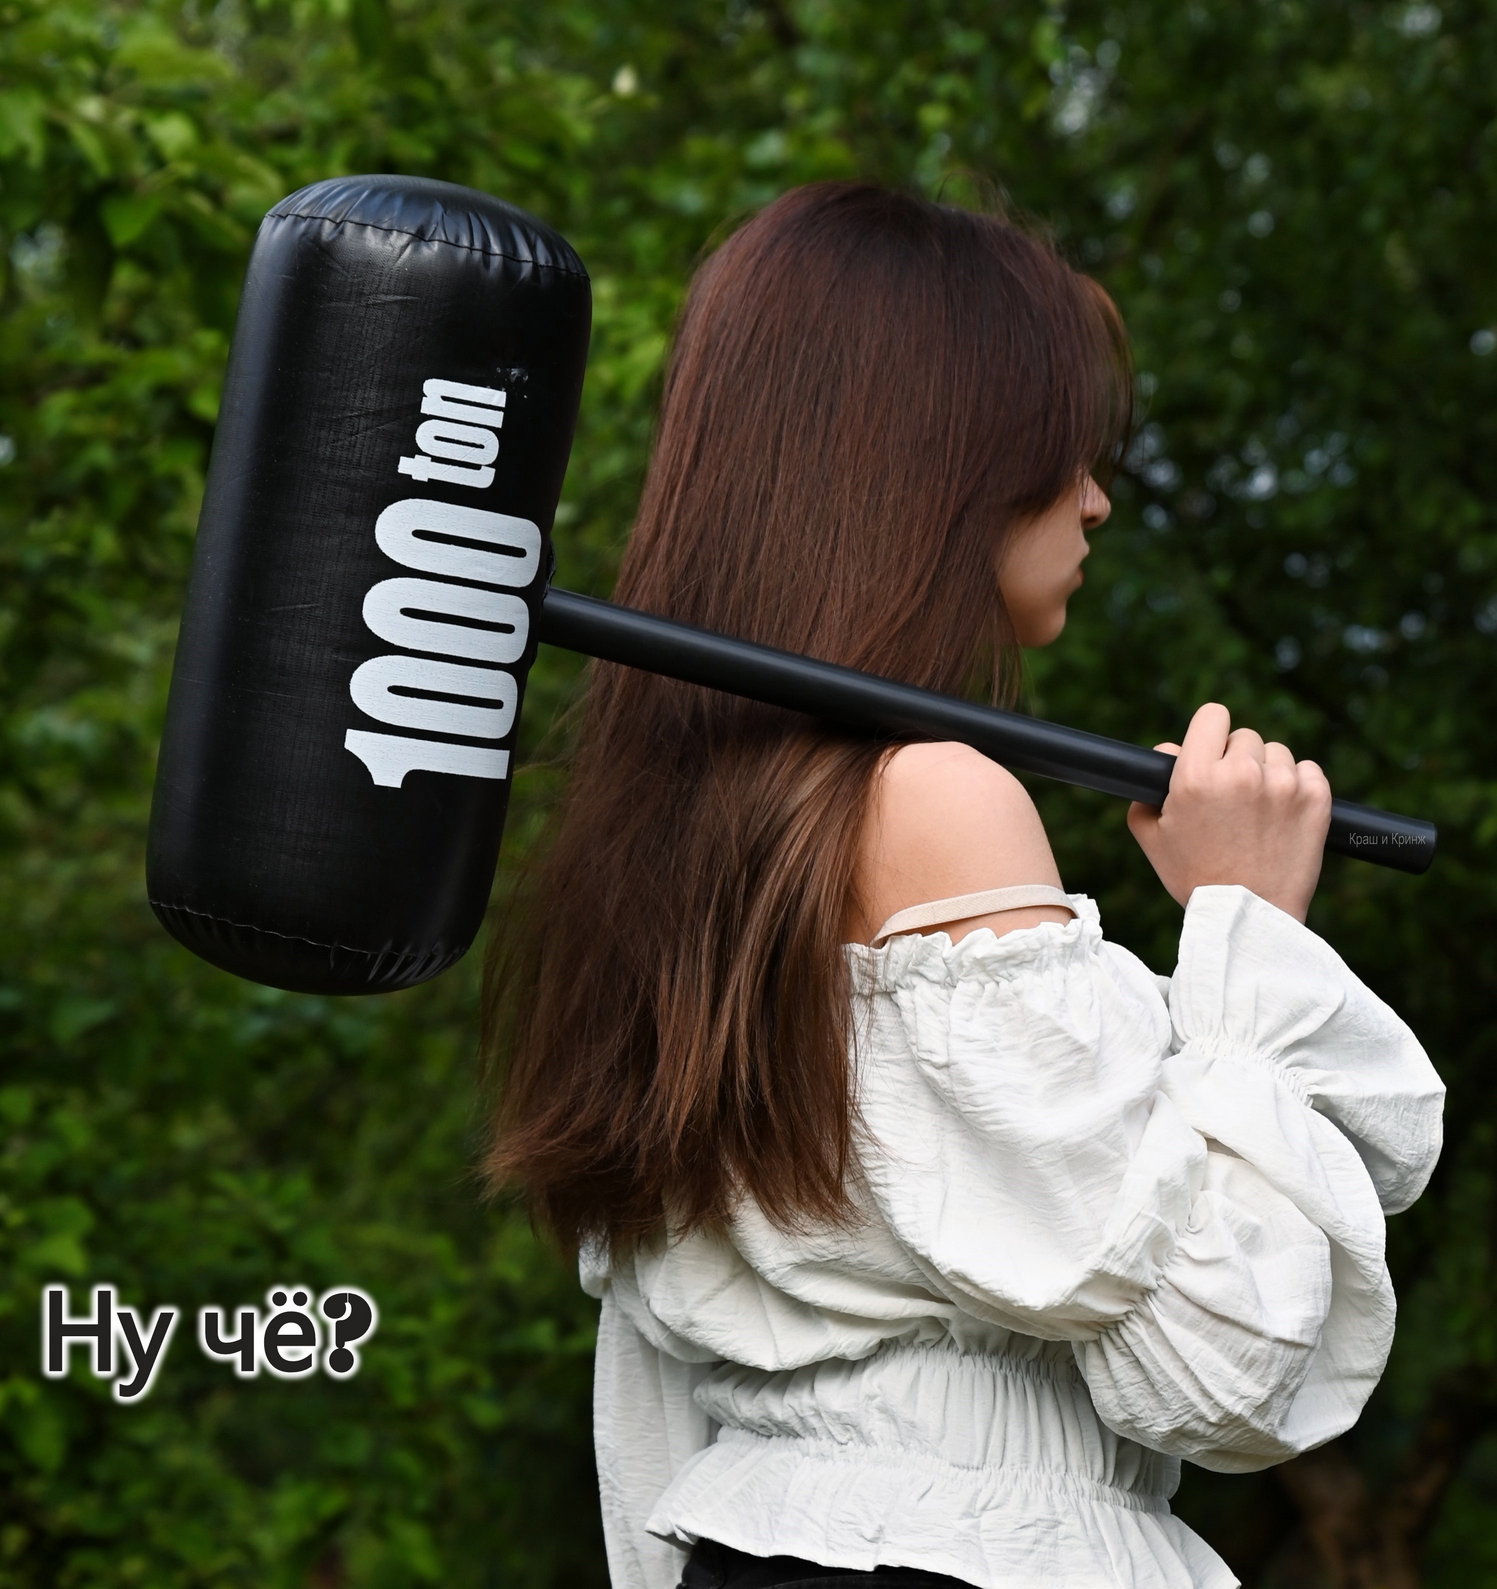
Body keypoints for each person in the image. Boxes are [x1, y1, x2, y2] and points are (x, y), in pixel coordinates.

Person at [485, 183, 1444, 1589]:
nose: (1096, 497)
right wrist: (1247, 927)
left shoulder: (685, 826)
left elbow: (658, 1400)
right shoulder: (939, 798)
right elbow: (1223, 1365)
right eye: (1062, 450)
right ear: (939, 461)